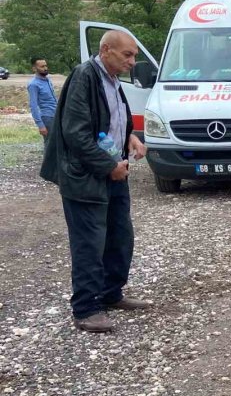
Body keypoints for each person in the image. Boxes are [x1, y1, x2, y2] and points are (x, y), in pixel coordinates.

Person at [39, 30, 151, 333]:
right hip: (86, 177)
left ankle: (111, 293)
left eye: (134, 55)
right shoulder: (84, 77)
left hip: (114, 172)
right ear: (105, 50)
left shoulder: (112, 79)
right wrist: (108, 166)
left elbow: (111, 120)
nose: (133, 61)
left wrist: (130, 137)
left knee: (119, 236)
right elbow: (75, 133)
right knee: (89, 243)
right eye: (127, 54)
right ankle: (86, 308)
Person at [27, 57, 57, 144]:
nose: (45, 68)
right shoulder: (33, 84)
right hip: (47, 118)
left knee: (58, 143)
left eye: (46, 66)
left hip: (56, 115)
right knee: (50, 145)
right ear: (34, 68)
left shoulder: (48, 80)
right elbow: (33, 106)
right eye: (42, 66)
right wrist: (40, 125)